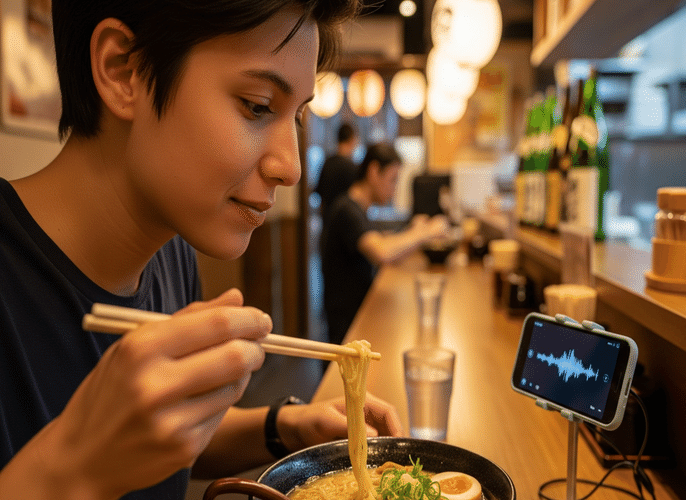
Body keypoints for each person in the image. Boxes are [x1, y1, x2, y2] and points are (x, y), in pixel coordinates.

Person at [0, 1, 403, 499]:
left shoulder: (170, 254)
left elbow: (168, 437)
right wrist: (71, 468)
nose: (291, 168)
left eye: (297, 116)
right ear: (122, 70)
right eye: (258, 105)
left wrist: (285, 426)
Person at [321, 143, 449, 346]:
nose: (394, 188)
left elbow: (383, 242)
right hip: (347, 328)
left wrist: (413, 232)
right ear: (373, 172)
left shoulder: (358, 208)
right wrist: (425, 232)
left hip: (360, 316)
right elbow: (382, 251)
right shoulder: (346, 209)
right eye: (393, 180)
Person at [315, 122, 359, 221]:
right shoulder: (352, 167)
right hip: (347, 221)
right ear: (352, 139)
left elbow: (320, 196)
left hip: (327, 219)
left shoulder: (327, 163)